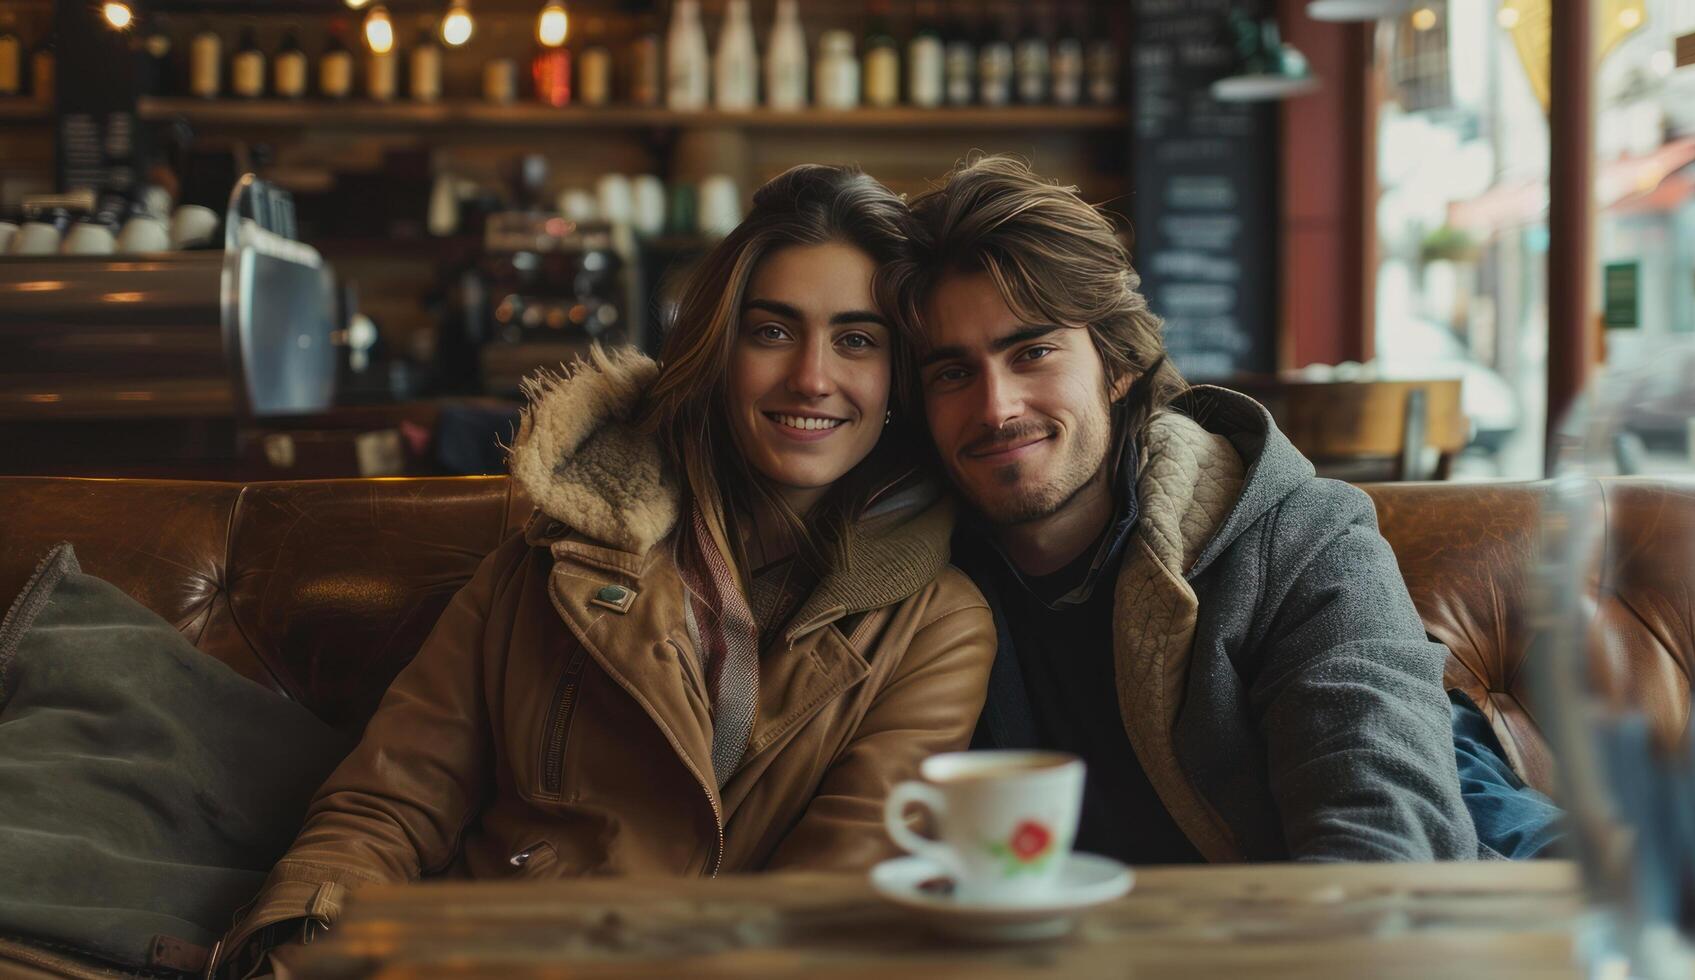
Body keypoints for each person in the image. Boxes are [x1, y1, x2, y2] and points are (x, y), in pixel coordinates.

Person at [219, 165, 995, 972]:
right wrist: (300, 947)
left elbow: (828, 906)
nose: (811, 375)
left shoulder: (935, 626)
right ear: (716, 353)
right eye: (771, 331)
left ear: (897, 378)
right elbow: (385, 808)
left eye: (857, 340)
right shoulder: (563, 551)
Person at [887, 155, 1561, 863]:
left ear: (1116, 365)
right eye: (953, 373)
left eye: (1033, 352)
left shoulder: (1304, 537)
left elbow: (1377, 848)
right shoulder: (912, 577)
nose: (996, 407)